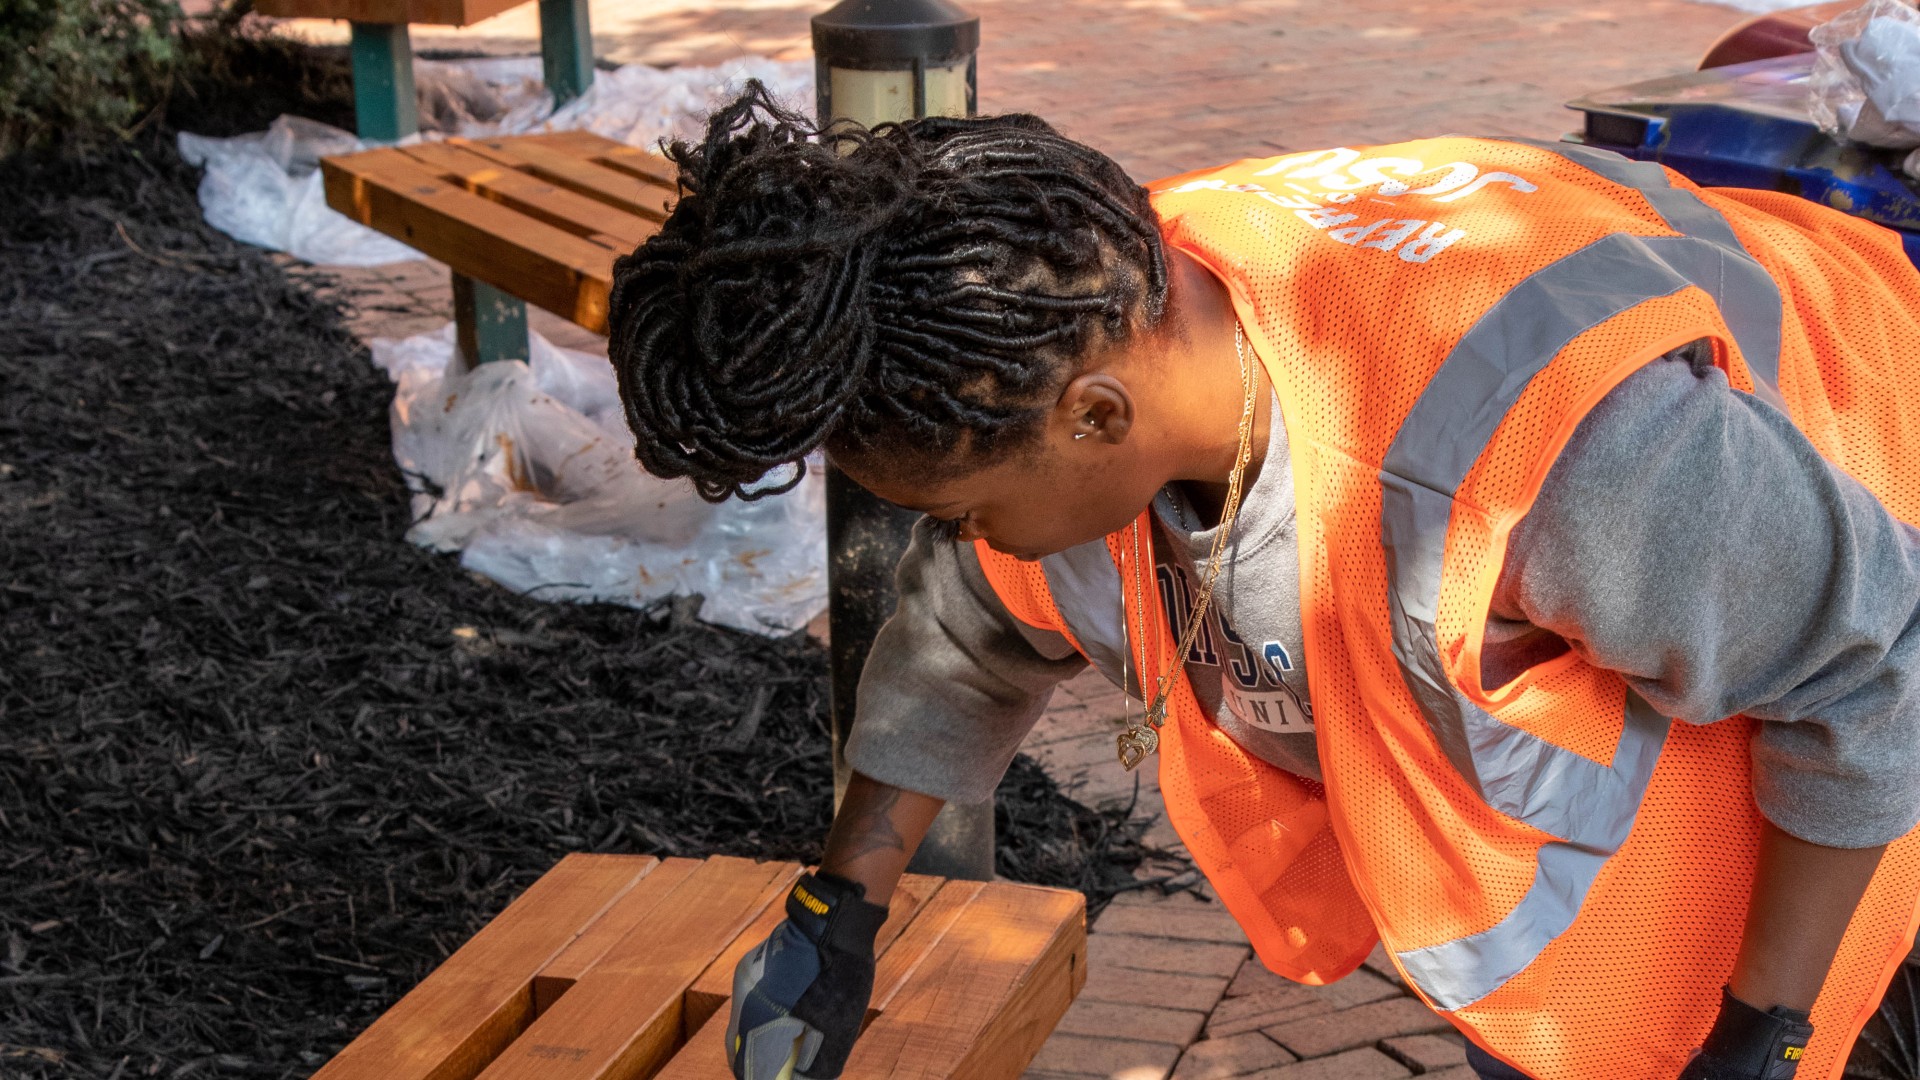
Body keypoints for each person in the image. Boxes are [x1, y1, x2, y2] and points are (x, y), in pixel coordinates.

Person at [605, 84, 1920, 1080]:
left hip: (1869, 512)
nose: (978, 545)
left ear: (1100, 421)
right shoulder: (1097, 299)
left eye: (968, 509)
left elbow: (1875, 670)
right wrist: (839, 912)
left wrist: (1766, 1034)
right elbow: (969, 635)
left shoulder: (1560, 461)